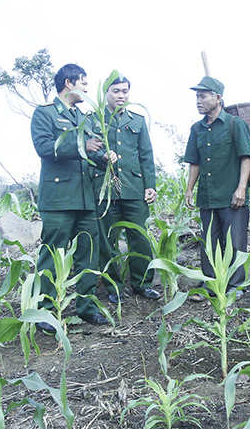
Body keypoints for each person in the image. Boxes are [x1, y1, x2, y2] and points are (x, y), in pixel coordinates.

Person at [31, 63, 116, 330]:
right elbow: (44, 147)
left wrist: (104, 158)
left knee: (88, 254)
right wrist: (82, 146)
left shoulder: (84, 118)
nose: (88, 89)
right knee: (52, 255)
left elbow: (91, 154)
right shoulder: (44, 114)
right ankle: (45, 312)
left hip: (85, 199)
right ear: (69, 83)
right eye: (84, 83)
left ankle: (86, 307)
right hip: (58, 199)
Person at [92, 75, 161, 303]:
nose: (121, 96)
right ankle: (114, 288)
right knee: (107, 239)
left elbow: (146, 155)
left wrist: (150, 185)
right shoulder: (93, 119)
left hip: (134, 188)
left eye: (125, 91)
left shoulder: (138, 120)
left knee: (139, 237)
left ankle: (143, 284)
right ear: (106, 93)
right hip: (106, 189)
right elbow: (88, 153)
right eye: (116, 91)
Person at [183, 76, 250, 300]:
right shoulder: (197, 129)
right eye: (196, 97)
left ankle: (236, 286)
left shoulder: (235, 124)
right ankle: (210, 285)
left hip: (233, 197)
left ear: (218, 98)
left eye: (203, 96)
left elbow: (246, 158)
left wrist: (241, 188)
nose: (198, 101)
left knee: (235, 243)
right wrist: (189, 189)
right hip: (208, 197)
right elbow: (195, 162)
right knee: (209, 245)